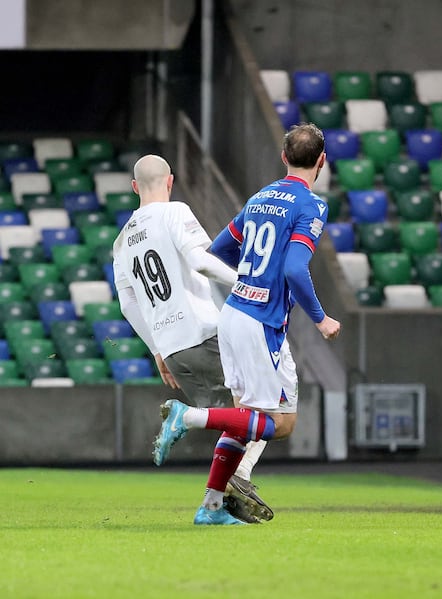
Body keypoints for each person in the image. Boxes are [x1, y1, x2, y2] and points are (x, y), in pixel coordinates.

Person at [152, 123, 341, 525]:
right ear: (322, 161)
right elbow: (294, 268)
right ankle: (187, 417)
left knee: (245, 417)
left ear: (284, 157)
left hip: (234, 314)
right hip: (261, 321)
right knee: (280, 423)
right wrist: (321, 319)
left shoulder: (259, 198)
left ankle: (212, 506)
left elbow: (218, 250)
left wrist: (252, 278)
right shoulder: (311, 205)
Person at [112, 154, 272, 524]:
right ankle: (233, 474)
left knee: (237, 420)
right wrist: (247, 285)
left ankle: (213, 506)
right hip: (205, 331)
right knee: (265, 412)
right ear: (170, 182)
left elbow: (127, 305)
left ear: (135, 187)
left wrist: (157, 350)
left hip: (172, 347)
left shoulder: (121, 243)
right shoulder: (175, 212)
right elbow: (201, 262)